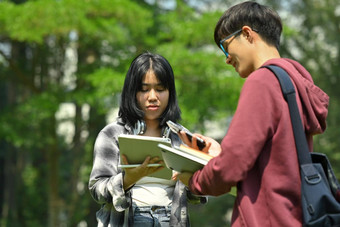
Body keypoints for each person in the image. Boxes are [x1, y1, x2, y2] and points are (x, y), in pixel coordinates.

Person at [174, 1, 329, 226]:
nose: (227, 58)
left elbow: (232, 165)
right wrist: (221, 152)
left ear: (247, 34)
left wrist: (195, 181)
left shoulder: (263, 81)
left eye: (225, 47)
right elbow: (276, 162)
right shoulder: (293, 83)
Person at [89, 52, 203, 226]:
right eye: (144, 89)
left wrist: (195, 175)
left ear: (170, 92)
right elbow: (97, 190)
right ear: (132, 92)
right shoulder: (112, 134)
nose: (152, 97)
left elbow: (197, 196)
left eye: (160, 89)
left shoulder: (182, 137)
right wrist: (128, 179)